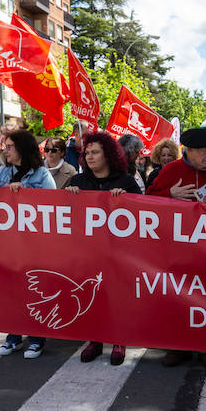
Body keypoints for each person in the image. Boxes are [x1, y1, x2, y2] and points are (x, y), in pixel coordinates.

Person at [148, 127, 206, 371]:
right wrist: (170, 194)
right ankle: (177, 347)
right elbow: (147, 200)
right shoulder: (170, 171)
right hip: (175, 250)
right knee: (176, 299)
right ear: (191, 151)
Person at [66, 130, 142, 366]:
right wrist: (67, 197)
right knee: (92, 295)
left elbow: (143, 214)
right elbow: (61, 216)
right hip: (87, 252)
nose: (89, 157)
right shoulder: (77, 182)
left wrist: (126, 200)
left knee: (117, 296)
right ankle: (95, 339)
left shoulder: (126, 182)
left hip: (119, 252)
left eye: (95, 152)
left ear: (108, 155)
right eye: (87, 153)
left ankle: (119, 340)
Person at [0, 129, 57, 359]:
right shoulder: (2, 172)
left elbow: (52, 208)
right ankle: (13, 338)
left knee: (33, 291)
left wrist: (25, 194)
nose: (5, 150)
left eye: (9, 146)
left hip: (34, 245)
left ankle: (36, 338)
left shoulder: (41, 175)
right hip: (8, 243)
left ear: (21, 148)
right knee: (11, 292)